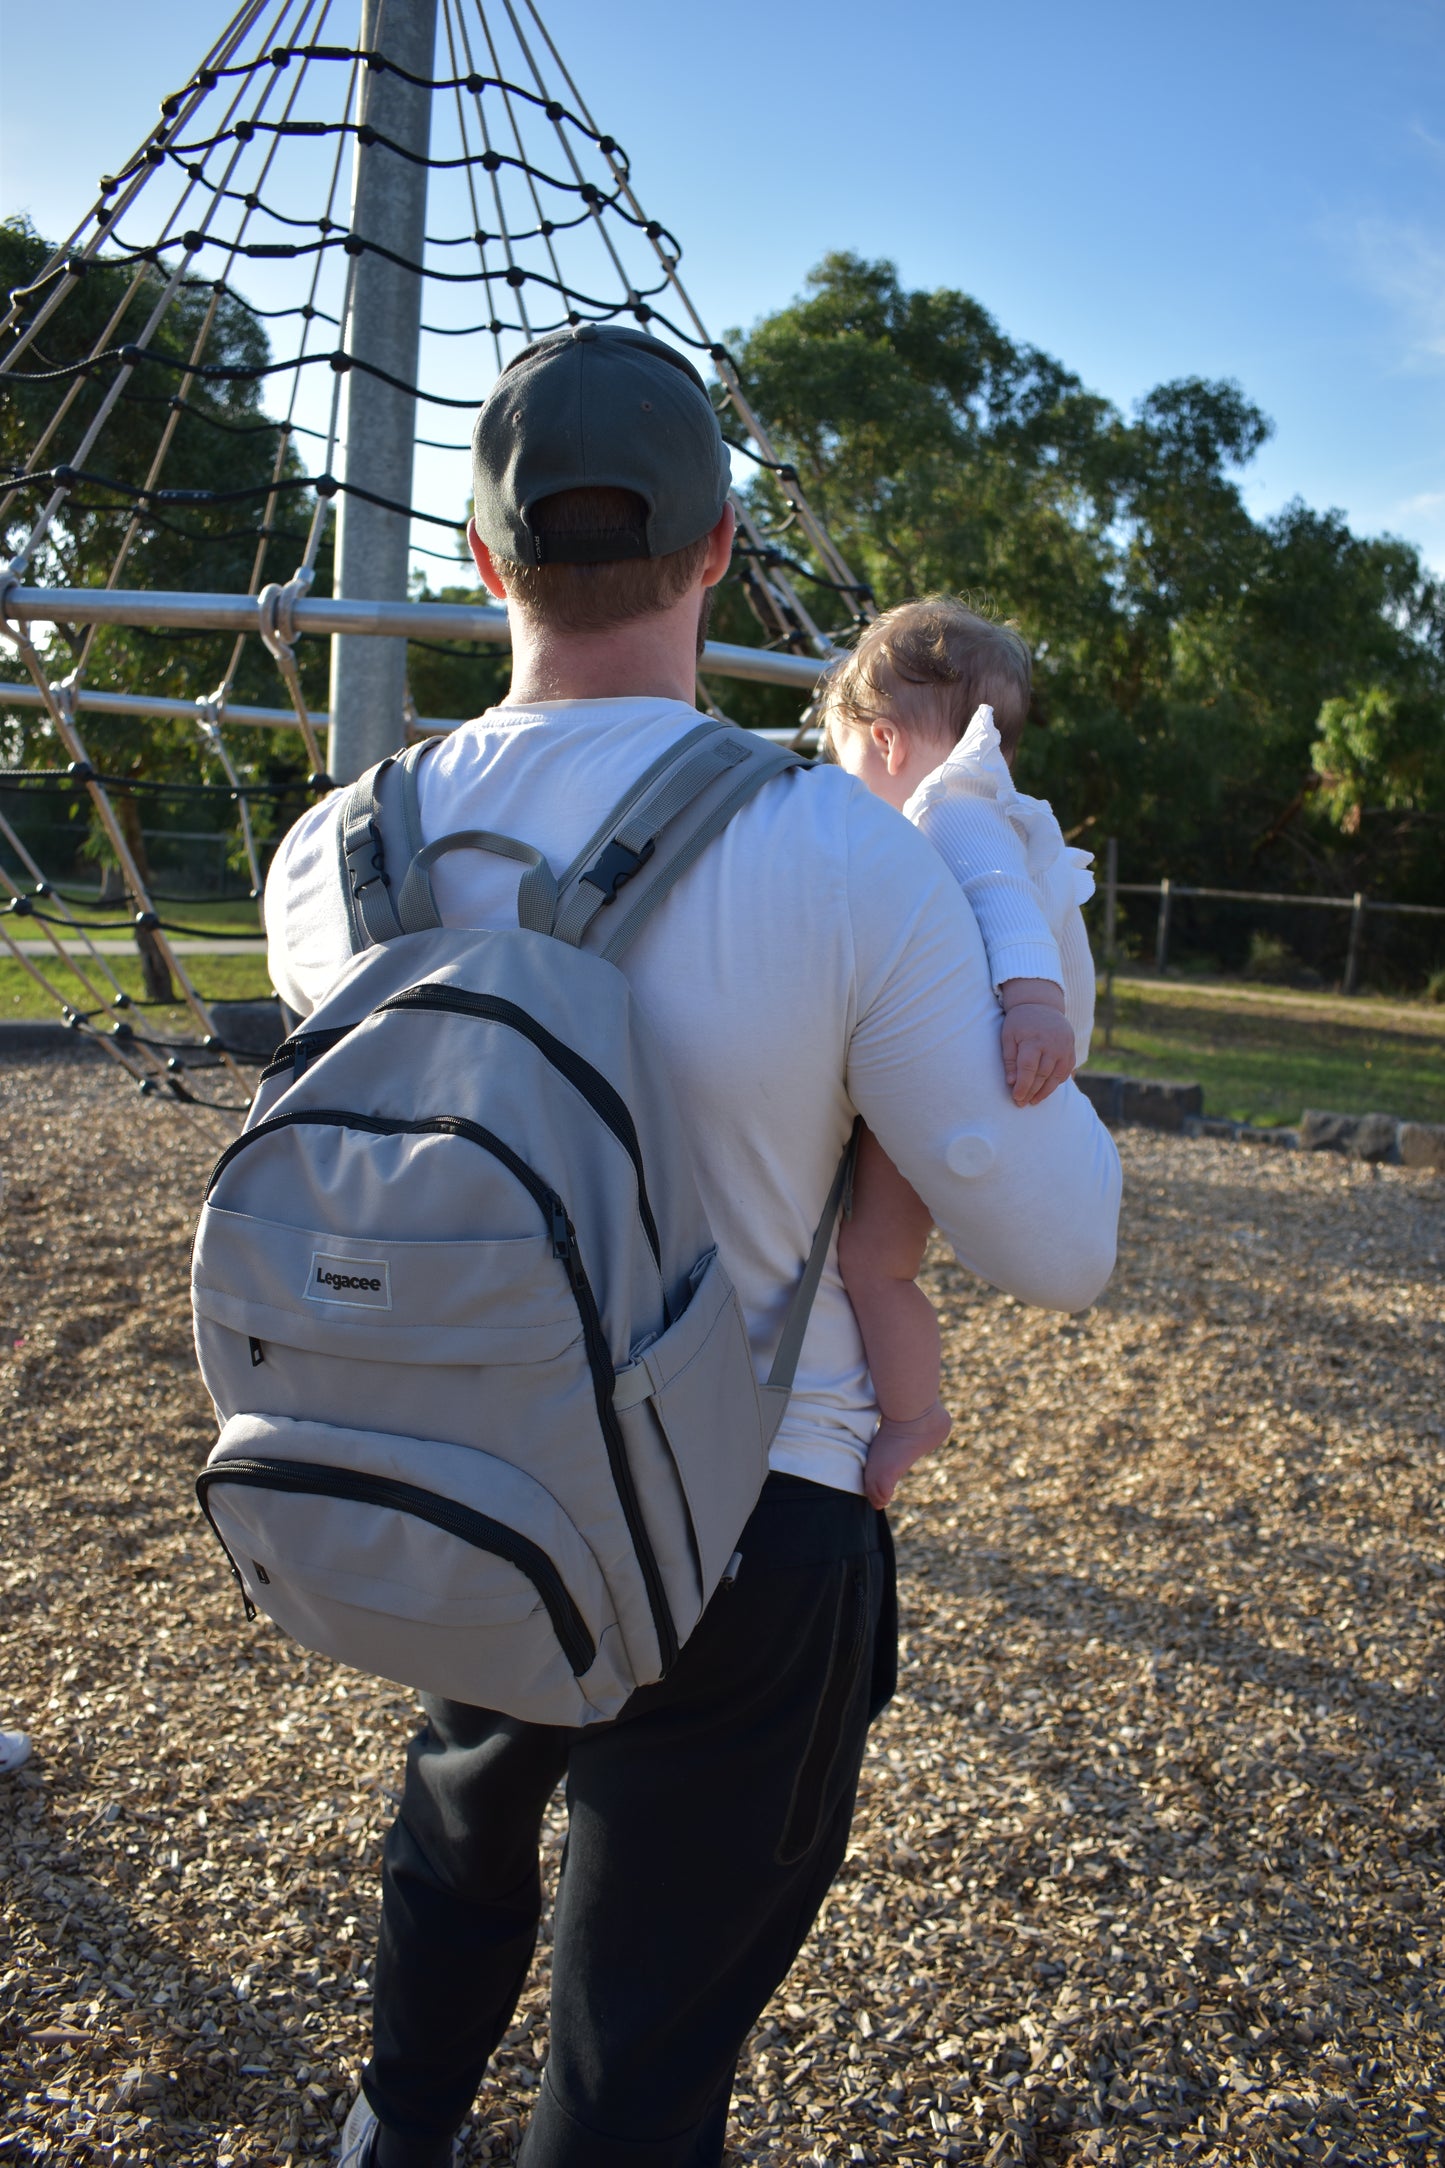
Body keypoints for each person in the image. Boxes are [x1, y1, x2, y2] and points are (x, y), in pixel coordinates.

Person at [263, 324, 1121, 2168]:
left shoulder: (328, 853)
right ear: (722, 548)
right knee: (645, 2035)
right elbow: (1064, 1240)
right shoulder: (844, 852)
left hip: (464, 1459)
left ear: (484, 560)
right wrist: (1021, 903)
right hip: (754, 1510)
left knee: (462, 1811)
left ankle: (394, 2123)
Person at [820, 598, 1097, 1510]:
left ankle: (910, 1414)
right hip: (962, 1053)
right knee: (874, 1257)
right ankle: (912, 1411)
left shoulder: (951, 809)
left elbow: (1003, 904)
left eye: (845, 759)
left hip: (981, 1048)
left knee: (870, 1263)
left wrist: (1031, 1005)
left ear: (888, 745)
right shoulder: (972, 804)